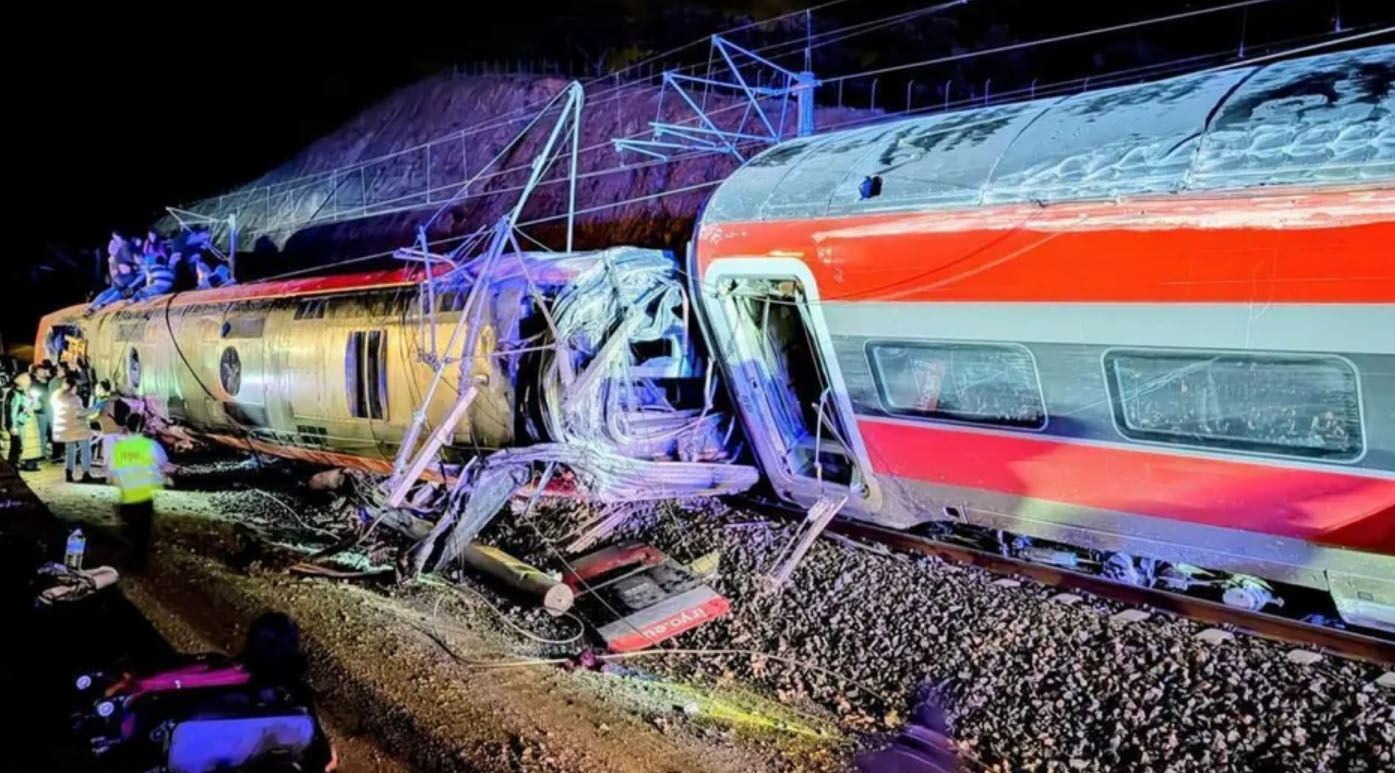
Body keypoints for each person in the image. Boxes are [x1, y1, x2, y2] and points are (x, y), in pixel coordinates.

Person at [108, 413, 171, 568]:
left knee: (130, 528)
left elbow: (111, 471)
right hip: (144, 495)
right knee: (142, 532)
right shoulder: (150, 445)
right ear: (143, 427)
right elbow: (163, 463)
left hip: (127, 495)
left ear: (126, 426)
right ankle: (138, 561)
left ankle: (129, 555)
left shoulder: (118, 447)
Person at [51, 373, 94, 483]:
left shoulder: (56, 396)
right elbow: (80, 413)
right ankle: (86, 473)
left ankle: (69, 474)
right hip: (78, 428)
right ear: (73, 387)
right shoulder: (74, 399)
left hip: (65, 429)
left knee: (69, 452)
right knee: (85, 450)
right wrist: (94, 409)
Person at [11, 373, 43, 471]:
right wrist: (14, 425)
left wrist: (34, 403)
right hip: (22, 421)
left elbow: (38, 406)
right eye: (27, 379)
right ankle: (20, 461)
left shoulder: (30, 392)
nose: (29, 381)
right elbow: (14, 409)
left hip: (31, 421)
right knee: (23, 443)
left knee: (32, 443)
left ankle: (31, 463)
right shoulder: (16, 393)